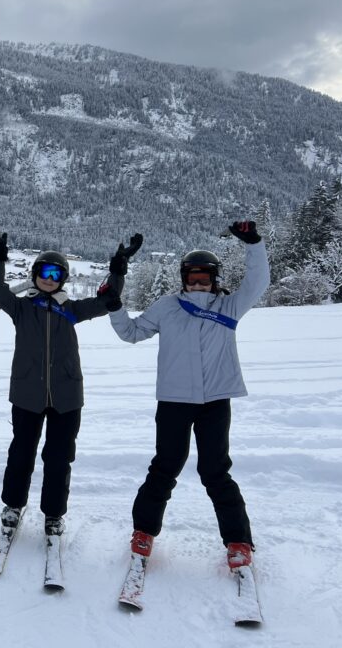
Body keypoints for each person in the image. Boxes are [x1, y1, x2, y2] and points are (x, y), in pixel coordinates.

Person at [107, 220, 269, 572]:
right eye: (192, 278)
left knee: (215, 471)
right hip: (174, 401)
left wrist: (253, 244)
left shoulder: (230, 306)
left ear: (214, 279)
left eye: (205, 278)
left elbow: (258, 282)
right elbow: (132, 333)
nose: (198, 283)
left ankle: (238, 541)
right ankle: (143, 533)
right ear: (183, 278)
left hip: (215, 401)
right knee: (165, 467)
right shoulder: (167, 306)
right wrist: (115, 307)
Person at [0, 222, 133, 541]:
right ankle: (12, 506)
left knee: (58, 457)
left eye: (56, 275)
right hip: (27, 394)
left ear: (62, 279)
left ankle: (53, 514)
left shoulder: (73, 310)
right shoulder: (22, 309)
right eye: (43, 274)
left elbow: (108, 300)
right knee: (21, 453)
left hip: (66, 397)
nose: (49, 280)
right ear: (36, 276)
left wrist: (117, 270)